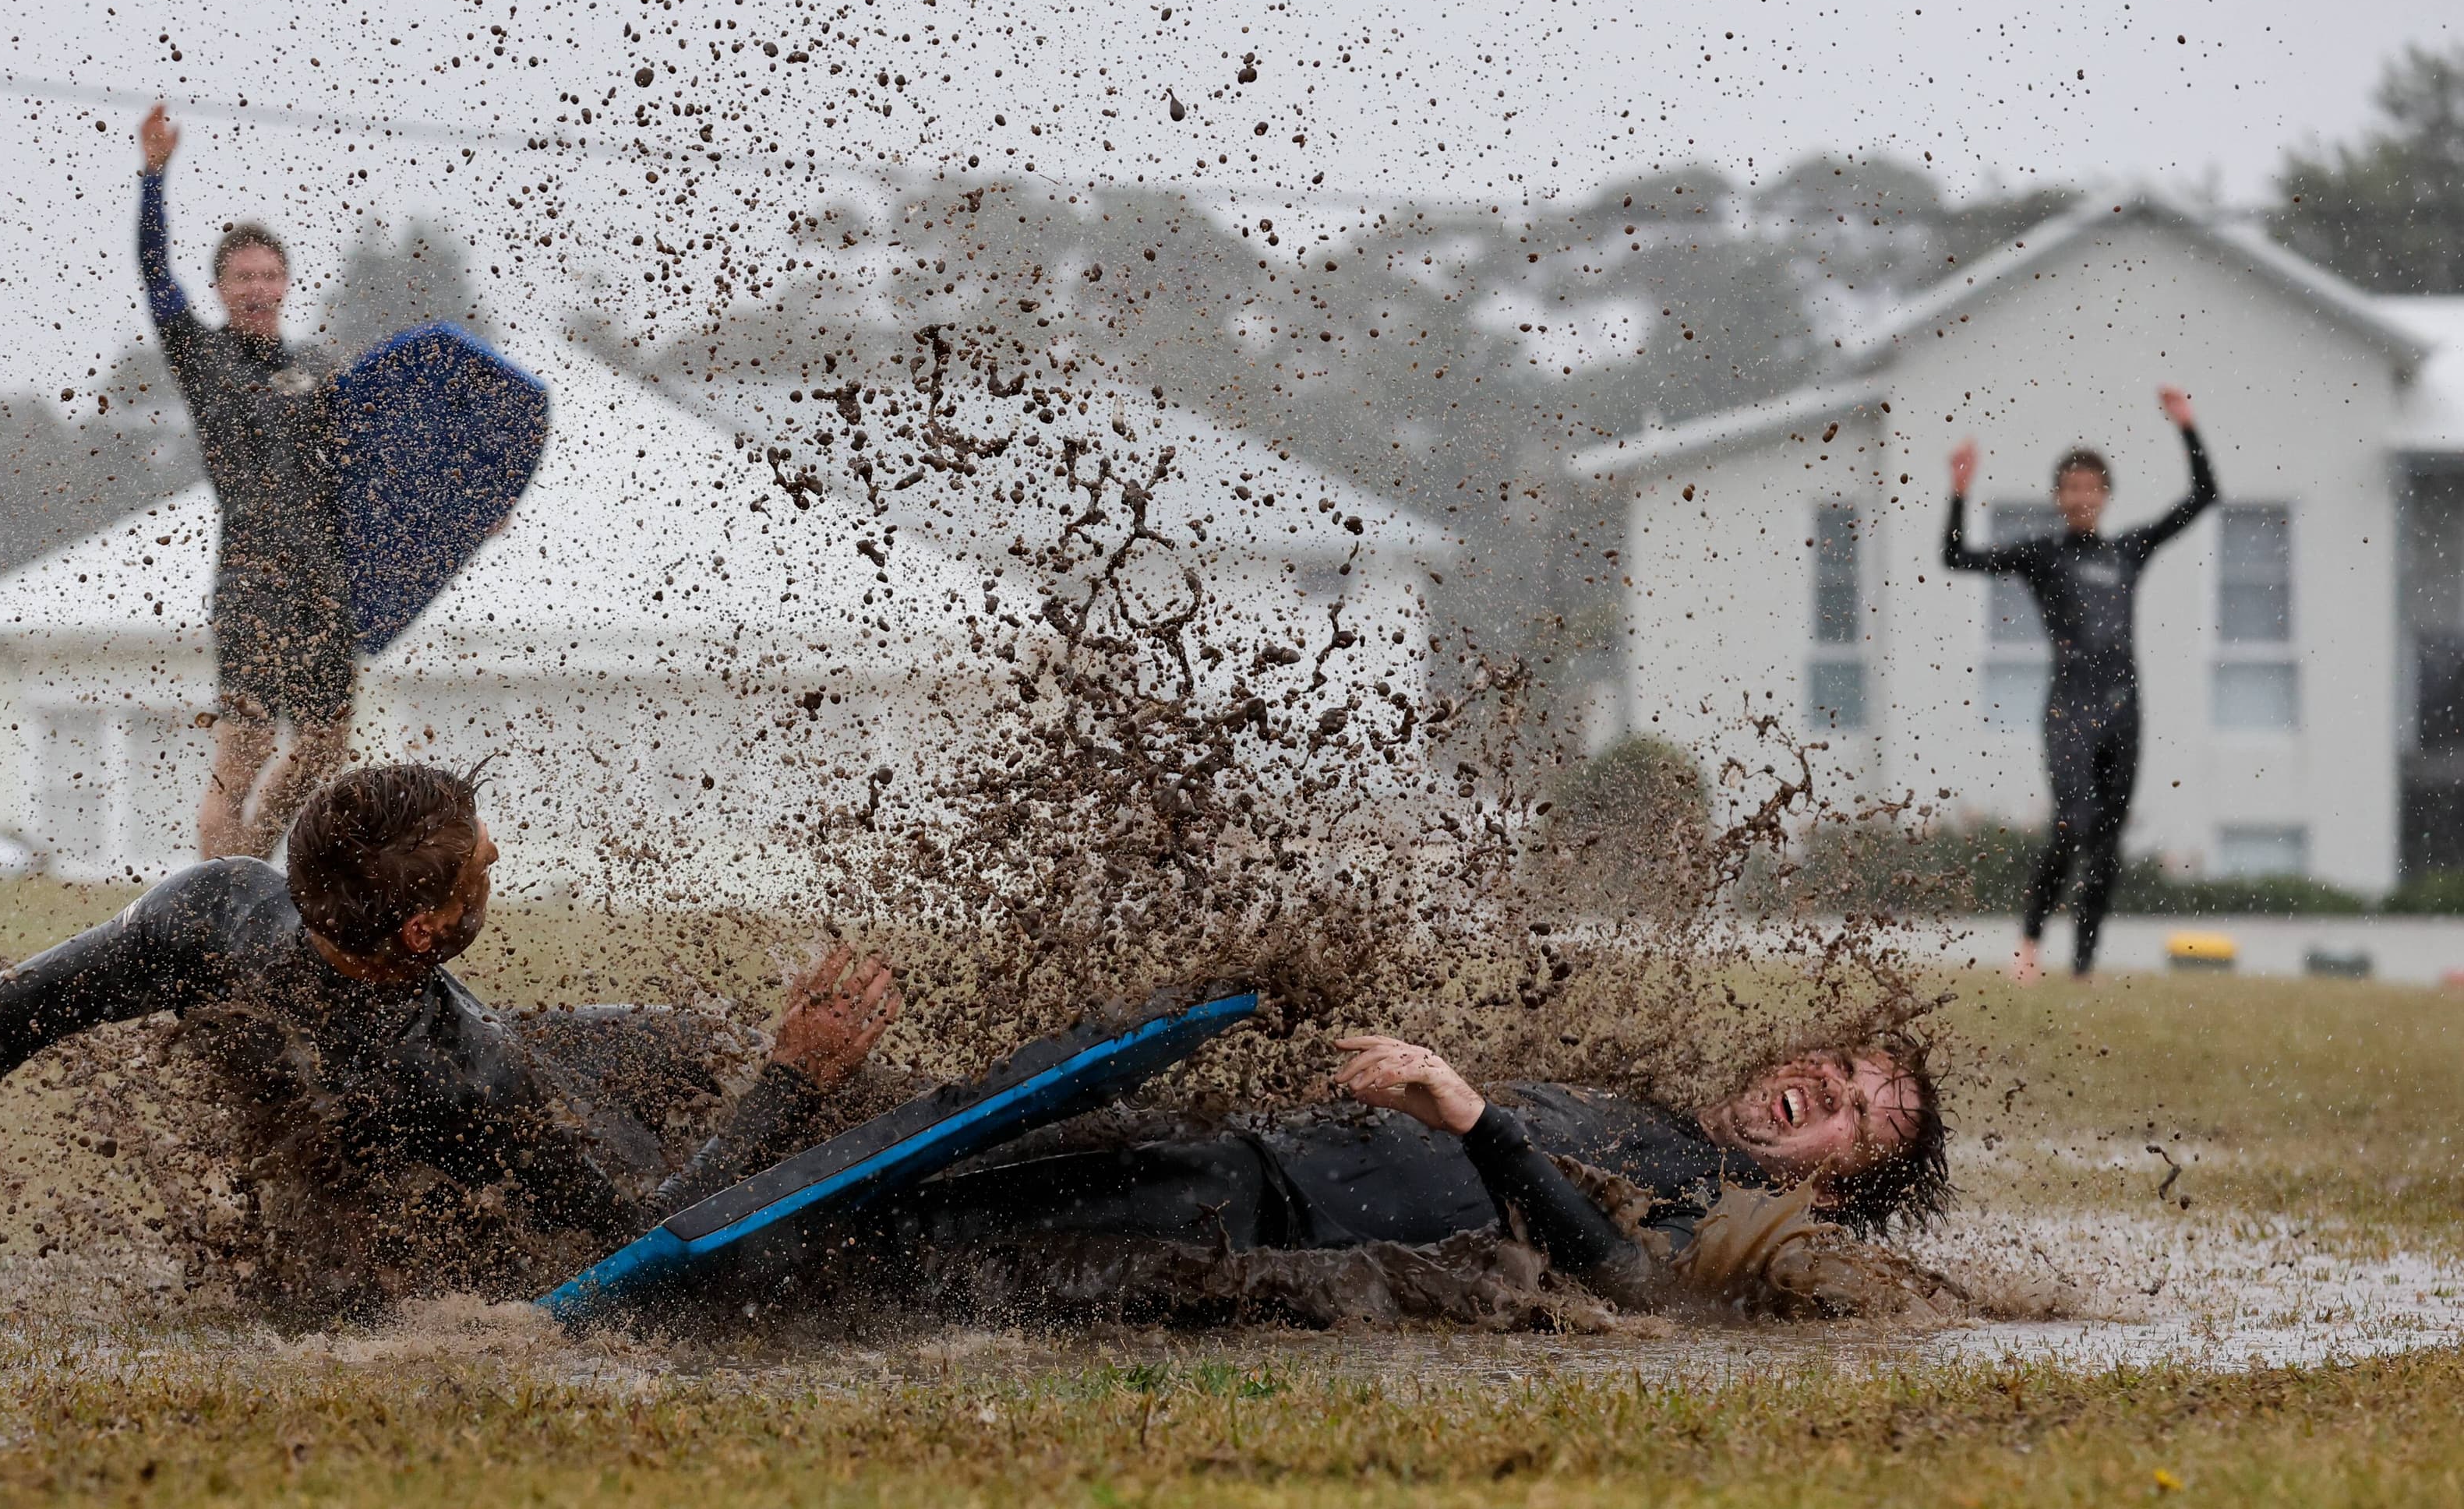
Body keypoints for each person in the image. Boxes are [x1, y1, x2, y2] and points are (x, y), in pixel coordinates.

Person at [0, 764, 903, 1267]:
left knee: (702, 1036)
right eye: (485, 869)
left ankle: (772, 1067)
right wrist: (792, 1086)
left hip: (505, 1042)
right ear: (422, 932)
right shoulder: (447, 1087)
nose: (497, 869)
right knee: (751, 1109)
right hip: (513, 1110)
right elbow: (639, 1234)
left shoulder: (216, 904)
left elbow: (11, 1010)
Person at [897, 1034, 1941, 1312]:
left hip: (1251, 1225)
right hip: (1232, 1151)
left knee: (914, 1245)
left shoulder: (1728, 1209)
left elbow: (1628, 1282)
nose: (1833, 1086)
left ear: (1837, 1189)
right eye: (1847, 1067)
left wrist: (1480, 1119)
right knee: (914, 1183)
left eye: (1859, 1117)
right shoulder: (1650, 1107)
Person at [137, 101, 360, 860]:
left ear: (288, 284)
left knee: (325, 748)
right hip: (252, 583)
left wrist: (467, 507)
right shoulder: (205, 359)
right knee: (246, 750)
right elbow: (156, 277)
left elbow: (377, 465)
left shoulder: (322, 372)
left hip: (323, 585)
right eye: (244, 277)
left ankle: (253, 879)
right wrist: (154, 178)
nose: (259, 288)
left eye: (270, 275)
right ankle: (216, 906)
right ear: (224, 289)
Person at [1944, 387, 2219, 982]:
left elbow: (2205, 497)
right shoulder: (2043, 555)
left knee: (2107, 844)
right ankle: (2030, 941)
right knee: (2073, 823)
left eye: (2091, 488)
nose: (2081, 498)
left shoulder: (2129, 550)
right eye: (2070, 488)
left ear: (2105, 495)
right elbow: (1955, 556)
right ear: (2057, 497)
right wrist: (1960, 492)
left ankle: (2084, 968)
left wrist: (2187, 426)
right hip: (2071, 706)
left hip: (2125, 711)